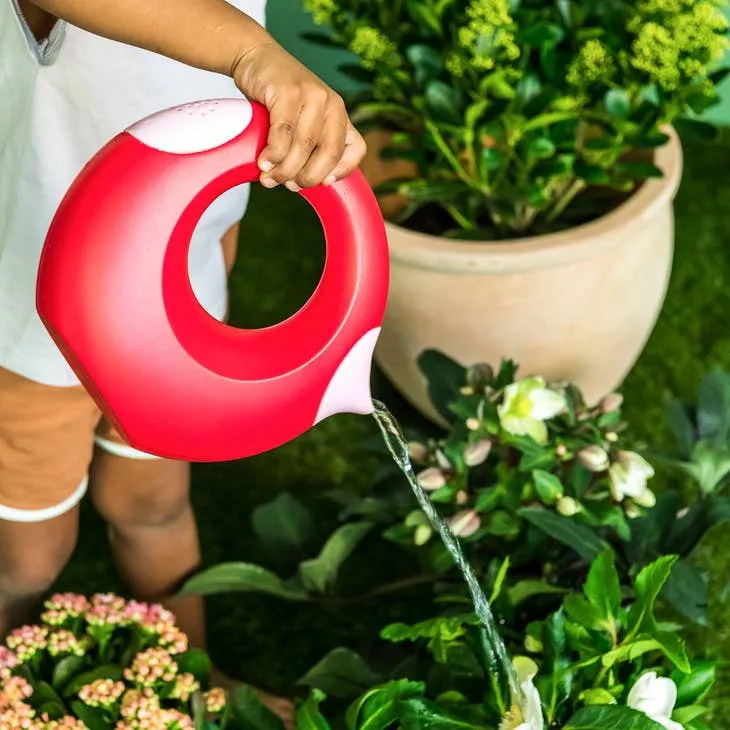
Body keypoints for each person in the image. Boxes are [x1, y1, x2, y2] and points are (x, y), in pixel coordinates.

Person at [0, 0, 367, 726]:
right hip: (34, 310)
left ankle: (191, 677)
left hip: (176, 283)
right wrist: (253, 54)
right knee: (30, 557)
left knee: (156, 504)